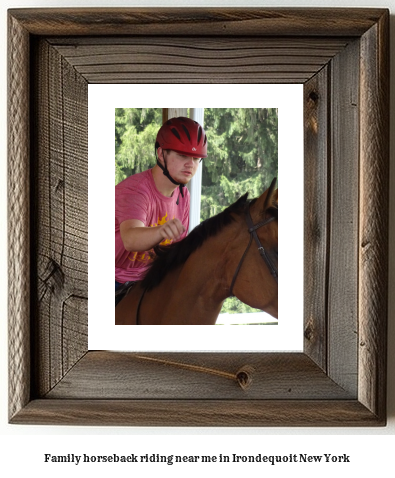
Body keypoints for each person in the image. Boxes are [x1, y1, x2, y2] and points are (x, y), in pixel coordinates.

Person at [115, 116, 208, 305]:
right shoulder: (135, 190)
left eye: (196, 159)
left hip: (148, 279)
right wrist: (161, 230)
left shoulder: (183, 195)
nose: (191, 165)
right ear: (160, 154)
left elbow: (175, 254)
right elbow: (130, 239)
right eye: (182, 156)